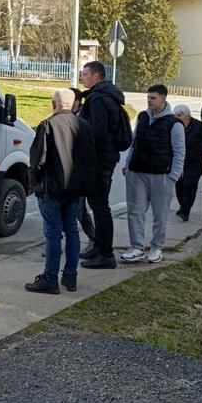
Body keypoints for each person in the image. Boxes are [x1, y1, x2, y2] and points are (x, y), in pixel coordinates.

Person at [25, 89, 96, 294]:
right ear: (73, 104)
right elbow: (91, 159)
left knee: (53, 234)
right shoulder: (84, 126)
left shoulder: (47, 125)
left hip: (51, 188)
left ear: (53, 103)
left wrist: (33, 183)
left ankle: (50, 278)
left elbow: (37, 160)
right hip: (74, 188)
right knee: (72, 231)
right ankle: (70, 277)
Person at [121, 85, 184, 264]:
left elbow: (180, 152)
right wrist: (127, 165)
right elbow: (135, 143)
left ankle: (157, 247)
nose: (149, 101)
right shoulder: (142, 117)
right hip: (137, 172)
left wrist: (174, 176)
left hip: (161, 175)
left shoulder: (174, 123)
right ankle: (136, 247)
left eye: (153, 98)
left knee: (160, 214)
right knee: (135, 211)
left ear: (163, 100)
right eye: (148, 97)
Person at [78, 61, 127, 270]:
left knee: (100, 206)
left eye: (85, 74)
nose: (82, 77)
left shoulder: (98, 99)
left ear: (96, 76)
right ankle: (99, 247)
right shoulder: (108, 96)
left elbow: (97, 133)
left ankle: (106, 254)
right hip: (106, 157)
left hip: (99, 159)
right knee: (99, 205)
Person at [173, 104, 202, 221]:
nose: (176, 117)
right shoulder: (175, 125)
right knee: (179, 184)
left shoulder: (199, 126)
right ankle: (183, 205)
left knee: (190, 184)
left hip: (196, 160)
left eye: (179, 115)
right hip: (179, 160)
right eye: (175, 115)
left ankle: (185, 211)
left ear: (187, 116)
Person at [68, 87, 97, 254]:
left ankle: (94, 239)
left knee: (79, 210)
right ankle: (55, 241)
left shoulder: (83, 122)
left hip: (78, 174)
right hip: (66, 173)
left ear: (76, 103)